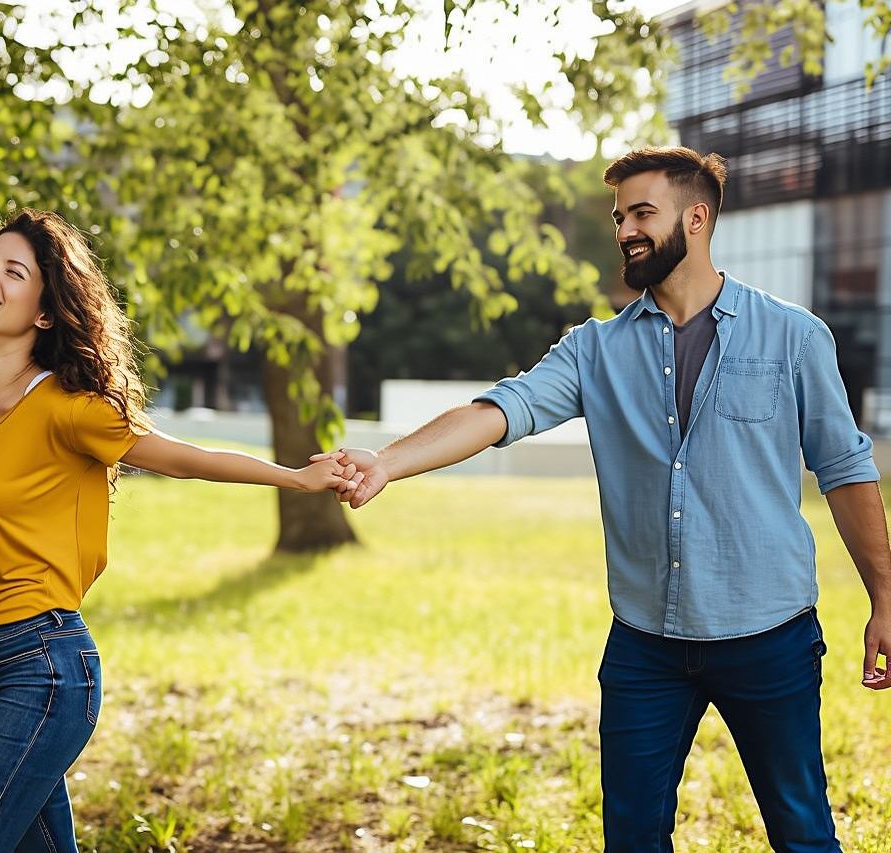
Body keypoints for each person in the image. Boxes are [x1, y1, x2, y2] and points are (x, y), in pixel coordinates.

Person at [321, 147, 891, 851]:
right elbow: (504, 408)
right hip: (645, 646)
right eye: (621, 217)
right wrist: (387, 460)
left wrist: (884, 599)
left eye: (642, 213)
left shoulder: (794, 336)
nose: (625, 230)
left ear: (698, 217)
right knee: (631, 837)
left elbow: (844, 468)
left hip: (768, 636)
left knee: (802, 832)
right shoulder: (594, 349)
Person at [0, 207, 355, 852]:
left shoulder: (68, 410)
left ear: (45, 313)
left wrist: (296, 479)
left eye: (16, 272)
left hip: (39, 666)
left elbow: (183, 457)